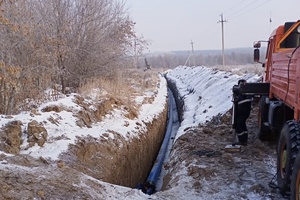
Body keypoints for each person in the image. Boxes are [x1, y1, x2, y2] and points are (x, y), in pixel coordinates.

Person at [235, 79, 252, 145]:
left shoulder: (246, 93)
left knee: (239, 125)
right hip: (242, 111)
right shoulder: (245, 92)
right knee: (242, 124)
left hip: (243, 111)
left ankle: (242, 141)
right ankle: (244, 139)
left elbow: (247, 100)